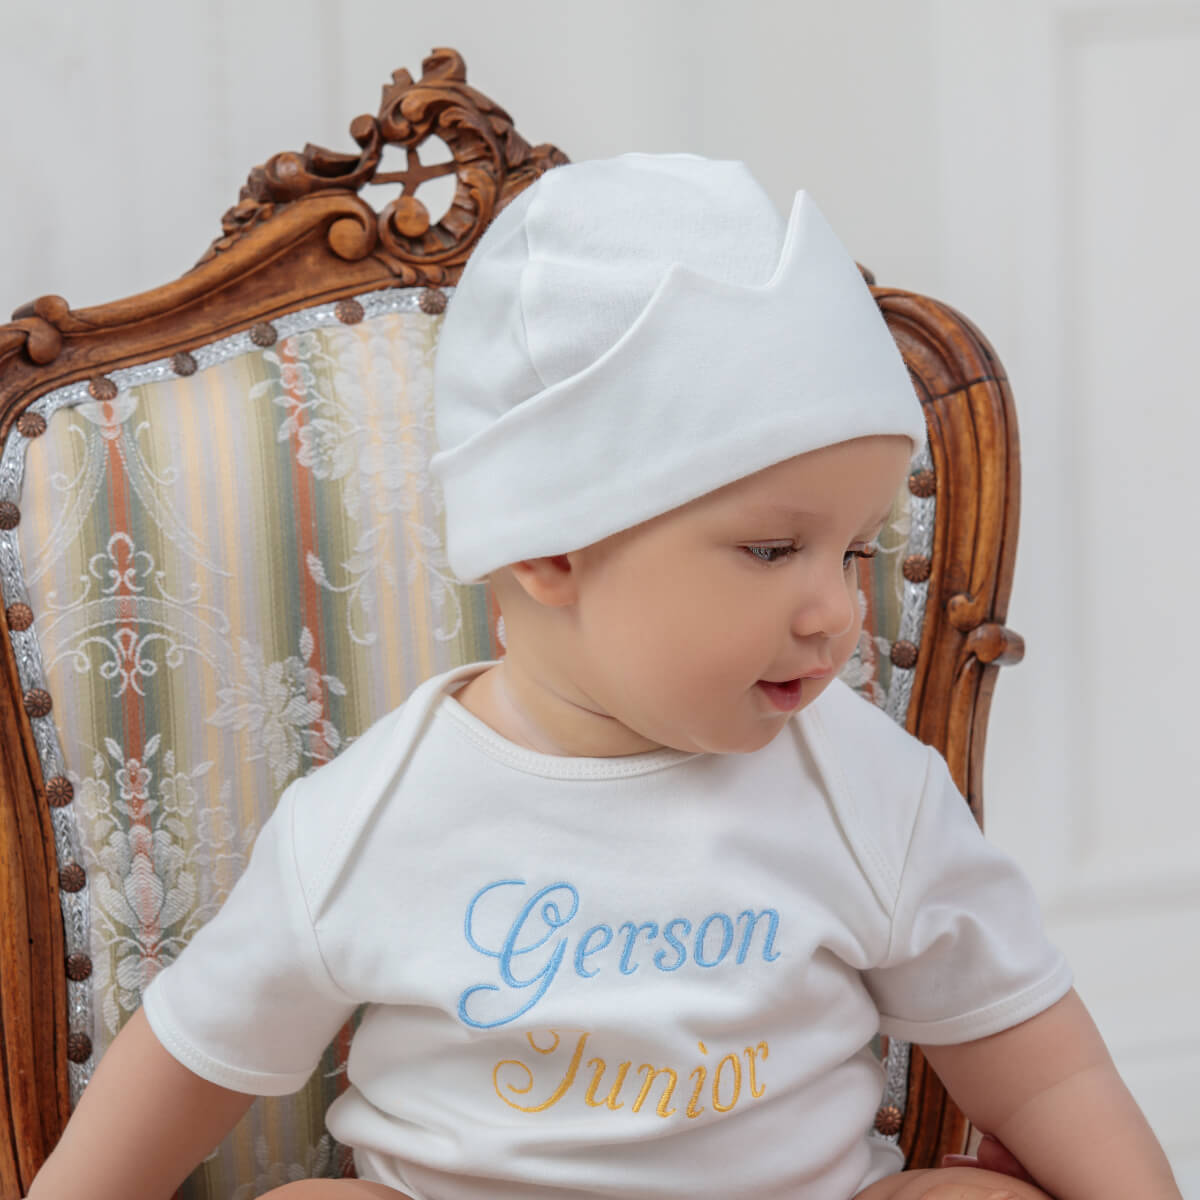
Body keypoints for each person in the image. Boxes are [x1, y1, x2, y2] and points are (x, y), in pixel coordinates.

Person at [27, 154, 1180, 1200]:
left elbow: (1045, 1071)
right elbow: (187, 1059)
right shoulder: (374, 820)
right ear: (553, 549)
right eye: (772, 549)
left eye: (855, 553)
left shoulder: (873, 787)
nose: (837, 612)